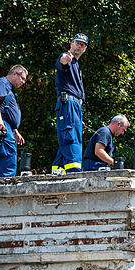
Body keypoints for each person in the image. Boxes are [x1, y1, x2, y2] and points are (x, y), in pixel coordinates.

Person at [52, 33, 88, 174]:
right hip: (69, 104)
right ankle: (74, 172)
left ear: (85, 49)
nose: (79, 46)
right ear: (71, 44)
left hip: (74, 106)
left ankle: (57, 170)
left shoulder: (76, 64)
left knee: (67, 138)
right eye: (77, 43)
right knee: (71, 139)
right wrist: (65, 59)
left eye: (82, 45)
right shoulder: (67, 58)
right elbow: (62, 63)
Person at [0, 65, 27, 178]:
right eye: (22, 78)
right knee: (7, 155)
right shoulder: (2, 83)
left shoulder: (9, 88)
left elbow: (7, 111)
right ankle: (5, 186)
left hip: (6, 125)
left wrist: (15, 131)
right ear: (14, 74)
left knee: (1, 157)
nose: (23, 82)